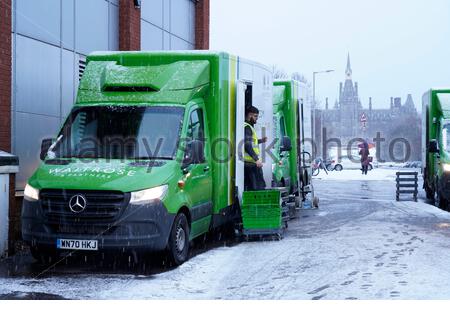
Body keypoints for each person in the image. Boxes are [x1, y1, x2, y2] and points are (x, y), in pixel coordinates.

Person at [244, 106, 268, 191]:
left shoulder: (248, 127)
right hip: (250, 163)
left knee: (256, 186)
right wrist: (256, 159)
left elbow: (251, 142)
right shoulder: (247, 127)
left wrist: (261, 140)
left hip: (250, 162)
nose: (256, 119)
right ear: (250, 115)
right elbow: (247, 145)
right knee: (258, 187)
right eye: (255, 116)